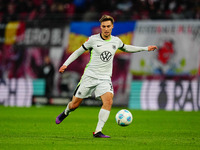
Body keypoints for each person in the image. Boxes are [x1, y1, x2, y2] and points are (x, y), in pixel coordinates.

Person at [55, 15, 158, 138]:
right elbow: (78, 51)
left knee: (108, 101)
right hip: (89, 77)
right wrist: (65, 64)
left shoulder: (116, 41)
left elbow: (127, 48)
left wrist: (145, 48)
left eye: (108, 26)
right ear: (101, 27)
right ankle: (66, 112)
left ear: (112, 27)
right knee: (74, 105)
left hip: (104, 78)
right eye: (103, 26)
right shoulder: (93, 40)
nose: (106, 29)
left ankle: (98, 131)